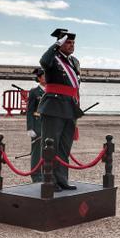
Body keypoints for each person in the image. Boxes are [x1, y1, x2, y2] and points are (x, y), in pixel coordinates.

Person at [38, 28, 83, 191]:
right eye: (68, 42)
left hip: (70, 108)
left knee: (64, 146)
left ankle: (62, 179)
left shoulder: (74, 62)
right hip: (54, 107)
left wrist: (77, 107)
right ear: (60, 44)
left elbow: (75, 87)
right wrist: (56, 44)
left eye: (73, 43)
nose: (71, 45)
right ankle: (49, 180)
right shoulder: (53, 58)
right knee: (51, 145)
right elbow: (43, 61)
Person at [26, 68, 46, 182]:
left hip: (49, 123)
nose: (46, 78)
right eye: (44, 76)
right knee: (37, 151)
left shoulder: (51, 90)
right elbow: (29, 110)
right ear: (39, 78)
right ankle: (36, 175)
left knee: (49, 150)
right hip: (38, 123)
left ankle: (47, 173)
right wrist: (30, 127)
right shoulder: (34, 91)